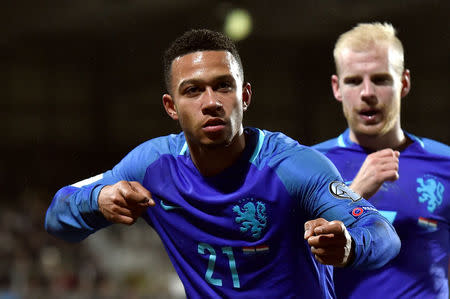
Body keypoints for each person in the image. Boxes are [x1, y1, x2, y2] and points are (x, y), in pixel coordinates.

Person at [45, 28, 400, 298]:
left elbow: (382, 232)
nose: (211, 102)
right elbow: (57, 216)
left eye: (223, 87)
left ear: (244, 96)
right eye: (193, 90)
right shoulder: (152, 167)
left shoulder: (293, 167)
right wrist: (97, 200)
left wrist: (351, 247)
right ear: (171, 107)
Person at [313, 22, 450, 299]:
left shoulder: (445, 163)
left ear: (404, 83)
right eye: (353, 81)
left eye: (380, 79)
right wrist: (353, 193)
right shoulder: (310, 164)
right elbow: (286, 258)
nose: (367, 93)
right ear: (337, 88)